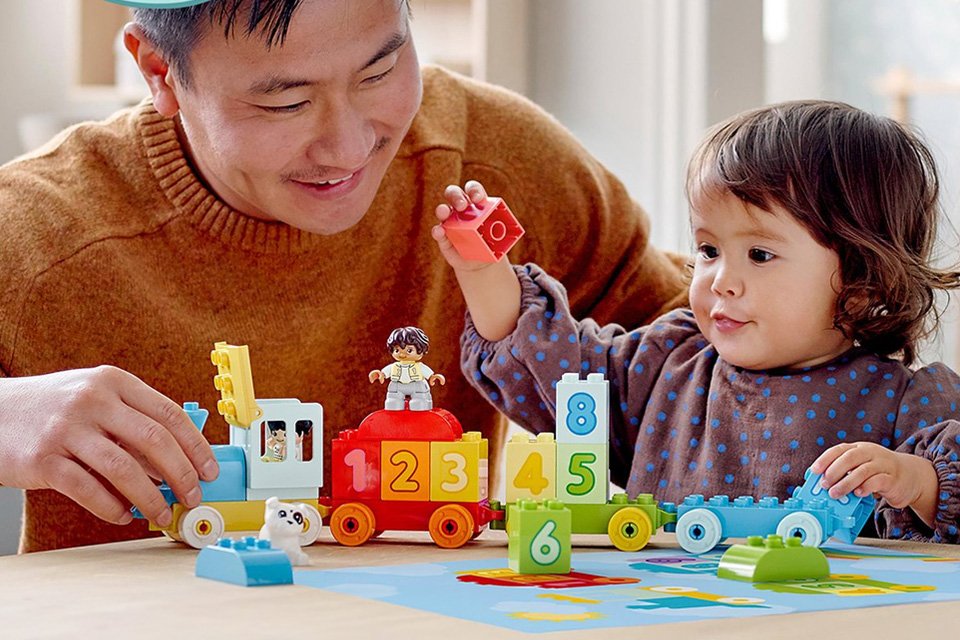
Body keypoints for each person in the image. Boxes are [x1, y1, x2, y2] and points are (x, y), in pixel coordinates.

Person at [0, 0, 687, 552]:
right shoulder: (40, 231)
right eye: (285, 103)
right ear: (158, 72)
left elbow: (699, 356)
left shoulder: (494, 155)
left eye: (380, 72)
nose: (349, 146)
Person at [433, 101, 960, 543]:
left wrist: (912, 480)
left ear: (862, 281)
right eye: (708, 249)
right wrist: (482, 270)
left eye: (759, 254)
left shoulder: (907, 405)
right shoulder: (667, 366)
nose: (720, 279)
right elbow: (549, 365)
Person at [368, 326, 445, 411]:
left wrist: (432, 377)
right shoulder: (394, 366)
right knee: (393, 402)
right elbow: (384, 373)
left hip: (417, 386)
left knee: (419, 403)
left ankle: (421, 401)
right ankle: (394, 401)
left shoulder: (419, 366)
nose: (402, 354)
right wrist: (380, 375)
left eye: (409, 350)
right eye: (397, 350)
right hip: (397, 386)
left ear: (421, 350)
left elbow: (429, 375)